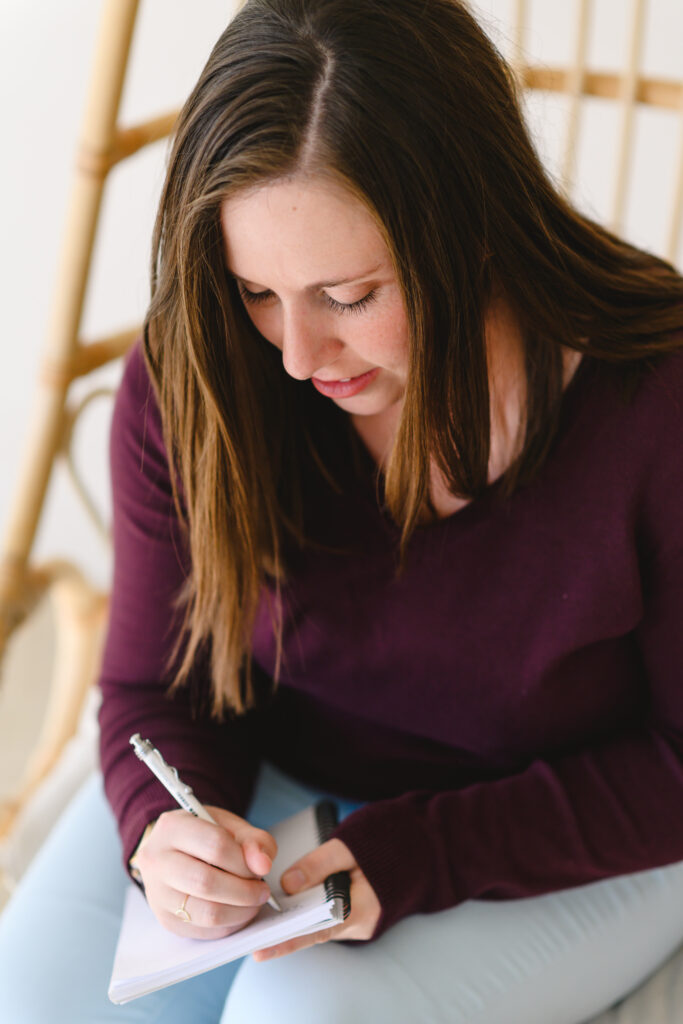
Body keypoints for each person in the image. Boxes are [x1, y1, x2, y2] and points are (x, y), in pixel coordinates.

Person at [1, 0, 683, 1020]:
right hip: (287, 791)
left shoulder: (652, 403)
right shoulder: (205, 377)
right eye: (256, 292)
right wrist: (167, 827)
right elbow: (154, 688)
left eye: (349, 294)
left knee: (302, 1015)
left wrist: (420, 853)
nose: (297, 357)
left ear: (472, 226)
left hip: (588, 824)